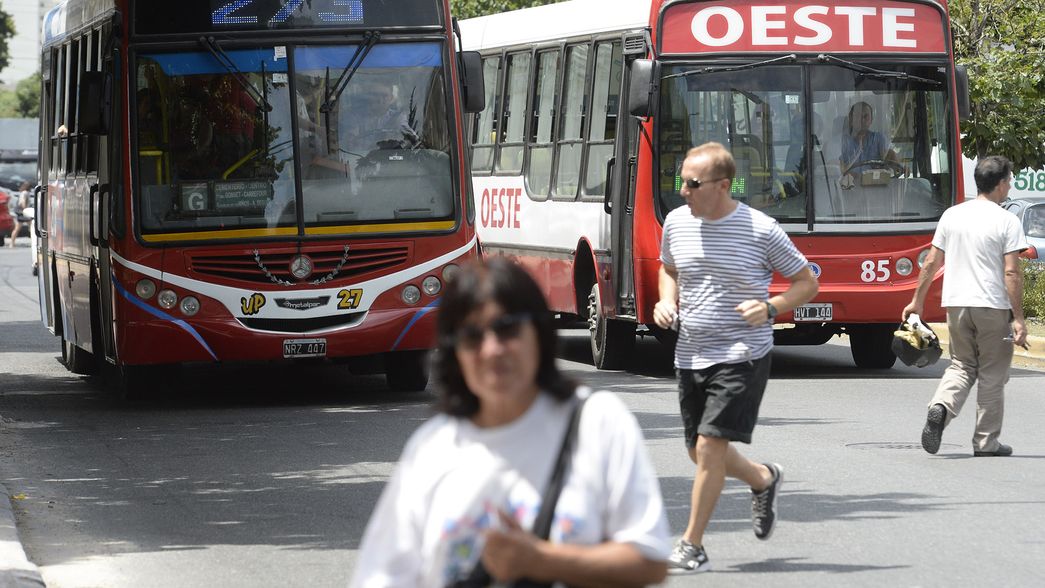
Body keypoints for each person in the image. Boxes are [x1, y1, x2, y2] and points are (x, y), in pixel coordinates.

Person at [350, 258, 670, 588]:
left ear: (540, 333)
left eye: (507, 328)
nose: (492, 349)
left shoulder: (598, 424)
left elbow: (649, 560)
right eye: (472, 336)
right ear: (453, 352)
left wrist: (543, 561)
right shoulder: (432, 448)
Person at [652, 142, 819, 573]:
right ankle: (763, 479)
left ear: (723, 185)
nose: (683, 190)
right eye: (680, 181)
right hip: (691, 351)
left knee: (709, 447)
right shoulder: (675, 222)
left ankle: (692, 545)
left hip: (743, 352)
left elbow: (806, 283)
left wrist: (770, 308)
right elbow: (667, 268)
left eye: (692, 183)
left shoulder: (761, 230)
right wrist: (664, 301)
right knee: (698, 451)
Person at [902, 155, 1029, 457]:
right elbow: (1011, 272)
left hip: (956, 306)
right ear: (1000, 185)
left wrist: (916, 301)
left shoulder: (952, 215)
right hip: (992, 307)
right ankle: (986, 442)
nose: (1009, 185)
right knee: (992, 373)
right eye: (1009, 181)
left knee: (961, 366)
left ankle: (940, 407)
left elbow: (931, 261)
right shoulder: (1007, 220)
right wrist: (1019, 318)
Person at [839, 101, 900, 189]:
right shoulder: (843, 142)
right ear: (851, 119)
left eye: (865, 116)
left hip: (878, 190)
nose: (862, 120)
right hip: (849, 191)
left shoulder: (879, 138)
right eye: (858, 116)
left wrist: (897, 166)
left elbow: (889, 156)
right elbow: (836, 169)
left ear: (871, 120)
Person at [8, 181, 32, 248]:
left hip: (21, 213)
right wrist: (25, 209)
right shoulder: (25, 193)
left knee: (17, 228)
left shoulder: (22, 192)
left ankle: (12, 243)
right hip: (24, 213)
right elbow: (23, 202)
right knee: (31, 227)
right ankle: (33, 242)